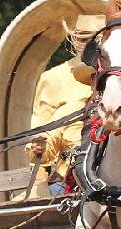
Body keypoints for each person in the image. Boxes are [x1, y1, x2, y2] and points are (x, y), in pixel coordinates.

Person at [26, 14, 105, 195]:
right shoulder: (54, 81)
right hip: (68, 178)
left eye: (97, 39)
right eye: (84, 39)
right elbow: (42, 135)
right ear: (74, 40)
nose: (90, 45)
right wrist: (38, 148)